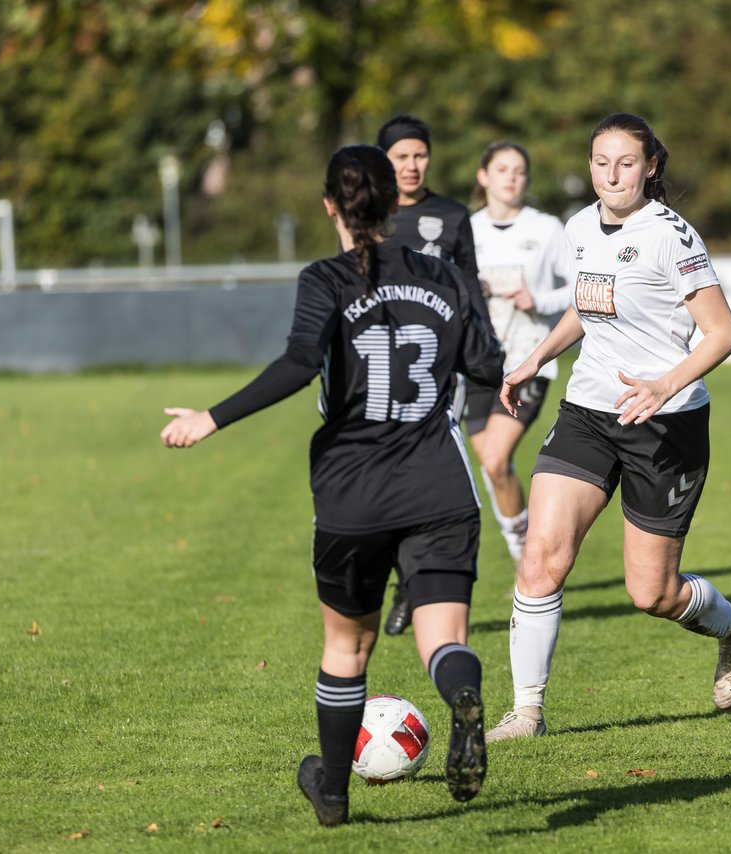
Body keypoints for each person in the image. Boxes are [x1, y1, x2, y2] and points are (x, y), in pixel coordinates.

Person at [159, 144, 504, 825]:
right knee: (445, 638)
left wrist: (211, 417)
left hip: (354, 492)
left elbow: (296, 362)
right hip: (440, 484)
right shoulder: (444, 278)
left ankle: (334, 793)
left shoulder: (325, 278)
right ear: (393, 202)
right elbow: (487, 364)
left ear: (330, 206)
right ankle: (464, 699)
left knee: (347, 646)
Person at [484, 113, 731, 742]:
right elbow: (589, 308)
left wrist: (665, 384)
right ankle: (526, 712)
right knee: (540, 562)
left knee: (651, 592)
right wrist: (536, 357)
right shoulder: (580, 227)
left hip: (665, 426)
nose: (612, 175)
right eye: (601, 162)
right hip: (588, 412)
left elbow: (723, 333)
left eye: (626, 163)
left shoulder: (672, 237)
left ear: (651, 167)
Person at [376, 114, 490, 636]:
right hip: (378, 367)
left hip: (439, 370)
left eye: (419, 155)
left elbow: (470, 290)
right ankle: (405, 576)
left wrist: (486, 350)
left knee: (427, 472)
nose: (412, 165)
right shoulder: (368, 212)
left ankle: (424, 581)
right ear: (384, 161)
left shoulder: (451, 215)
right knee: (383, 479)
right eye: (401, 156)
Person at [467, 141, 572, 565]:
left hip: (529, 362)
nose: (511, 177)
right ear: (483, 176)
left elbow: (581, 288)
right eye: (502, 169)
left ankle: (522, 557)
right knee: (494, 471)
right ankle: (524, 546)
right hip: (476, 365)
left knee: (495, 458)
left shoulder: (547, 229)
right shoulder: (466, 229)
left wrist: (539, 300)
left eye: (519, 171)